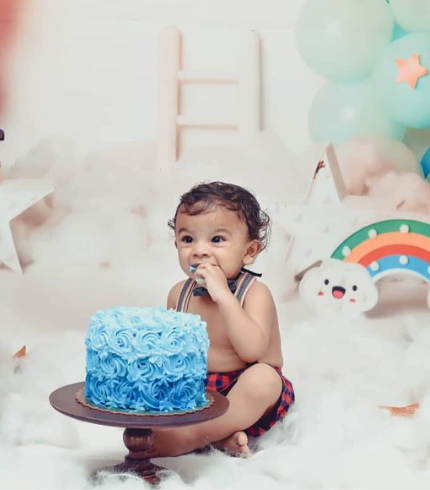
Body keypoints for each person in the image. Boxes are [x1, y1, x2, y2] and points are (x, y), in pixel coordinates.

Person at [150, 181, 295, 458]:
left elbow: (252, 351)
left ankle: (193, 436)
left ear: (249, 251)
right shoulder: (179, 294)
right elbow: (173, 352)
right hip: (198, 389)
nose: (200, 250)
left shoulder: (254, 293)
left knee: (264, 379)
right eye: (188, 239)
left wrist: (224, 298)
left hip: (243, 390)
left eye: (216, 239)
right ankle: (220, 437)